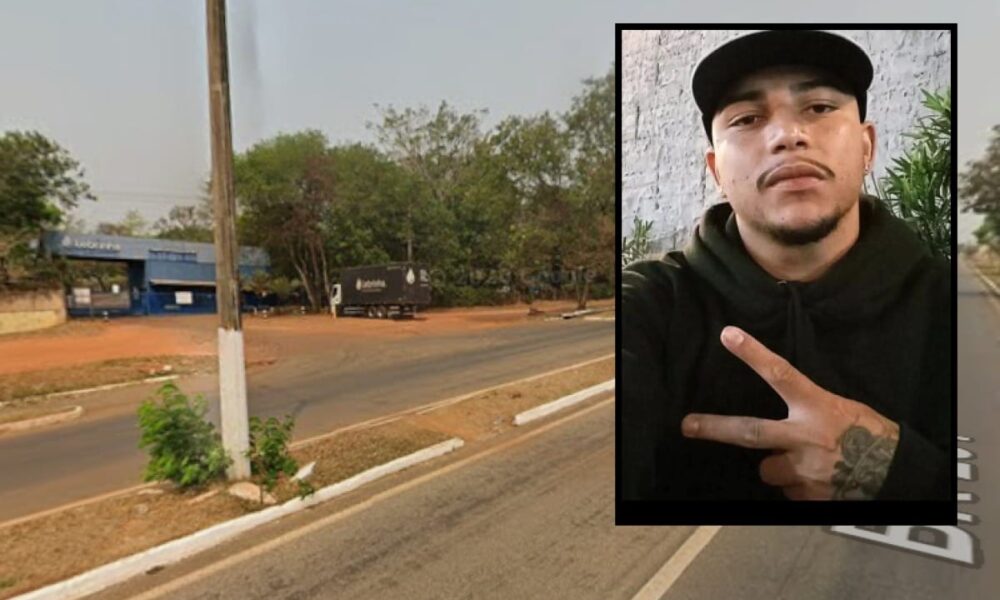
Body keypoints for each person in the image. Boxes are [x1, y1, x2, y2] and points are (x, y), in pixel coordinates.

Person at [621, 30, 951, 501]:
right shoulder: (646, 309)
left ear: (866, 147)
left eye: (819, 107)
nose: (787, 135)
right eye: (748, 118)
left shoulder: (962, 311)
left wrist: (901, 473)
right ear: (716, 171)